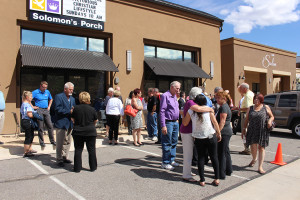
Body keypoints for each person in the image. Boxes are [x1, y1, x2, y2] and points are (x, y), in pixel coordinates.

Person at [183, 94, 221, 186]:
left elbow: (185, 123)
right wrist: (218, 132)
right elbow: (214, 122)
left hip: (199, 137)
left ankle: (202, 179)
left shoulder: (191, 111)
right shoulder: (208, 109)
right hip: (210, 135)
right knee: (214, 157)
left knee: (201, 158)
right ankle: (217, 178)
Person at [180, 87, 214, 182]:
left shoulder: (191, 102)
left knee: (190, 154)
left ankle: (187, 172)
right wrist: (210, 109)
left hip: (191, 131)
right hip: (187, 131)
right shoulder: (191, 102)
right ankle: (186, 175)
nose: (202, 96)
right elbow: (198, 109)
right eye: (200, 94)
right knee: (188, 154)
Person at [242, 94, 274, 174]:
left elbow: (272, 116)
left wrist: (270, 121)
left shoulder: (265, 107)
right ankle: (254, 158)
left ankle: (260, 167)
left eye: (258, 99)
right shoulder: (251, 108)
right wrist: (243, 129)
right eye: (255, 99)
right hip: (252, 130)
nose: (256, 100)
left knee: (261, 148)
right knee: (253, 147)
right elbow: (247, 119)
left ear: (261, 100)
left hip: (262, 130)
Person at [71, 92, 98, 172]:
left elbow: (73, 119)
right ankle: (93, 167)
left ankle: (77, 168)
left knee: (78, 149)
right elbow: (95, 120)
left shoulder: (75, 108)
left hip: (78, 131)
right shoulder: (92, 109)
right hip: (90, 131)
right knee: (91, 150)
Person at [160, 81, 181, 170]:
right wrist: (163, 125)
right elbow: (162, 111)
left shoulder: (175, 96)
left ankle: (171, 160)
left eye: (179, 88)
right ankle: (165, 162)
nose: (178, 90)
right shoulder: (165, 95)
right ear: (172, 87)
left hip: (175, 122)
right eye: (177, 88)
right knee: (167, 142)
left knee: (174, 142)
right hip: (168, 122)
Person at [54, 82, 76, 167]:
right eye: (70, 89)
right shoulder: (59, 97)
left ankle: (65, 156)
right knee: (60, 142)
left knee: (68, 141)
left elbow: (74, 108)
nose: (71, 91)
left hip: (70, 123)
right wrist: (68, 111)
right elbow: (57, 109)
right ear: (65, 89)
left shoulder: (72, 99)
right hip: (61, 123)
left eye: (72, 89)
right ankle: (59, 159)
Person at [32, 81, 56, 148]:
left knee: (50, 125)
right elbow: (28, 98)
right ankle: (41, 142)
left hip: (46, 110)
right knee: (41, 126)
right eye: (43, 87)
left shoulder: (47, 92)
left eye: (46, 87)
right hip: (39, 109)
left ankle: (52, 140)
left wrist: (49, 106)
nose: (44, 89)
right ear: (40, 86)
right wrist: (32, 106)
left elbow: (51, 99)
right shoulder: (35, 92)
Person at [215, 91, 233, 179]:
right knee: (226, 151)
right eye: (216, 97)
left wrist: (218, 132)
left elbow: (222, 121)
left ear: (224, 99)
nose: (216, 99)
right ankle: (229, 170)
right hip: (227, 131)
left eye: (218, 98)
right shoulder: (224, 107)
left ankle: (221, 173)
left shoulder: (223, 108)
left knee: (221, 153)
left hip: (224, 132)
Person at [239, 83, 254, 155]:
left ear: (244, 88)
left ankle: (247, 148)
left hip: (245, 114)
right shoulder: (251, 93)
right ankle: (248, 148)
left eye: (241, 89)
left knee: (244, 131)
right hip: (248, 114)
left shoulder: (248, 95)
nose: (240, 90)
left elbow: (248, 107)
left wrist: (239, 109)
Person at [20, 91, 37, 157]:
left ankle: (29, 149)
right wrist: (36, 116)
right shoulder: (26, 104)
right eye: (30, 97)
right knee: (28, 136)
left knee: (31, 135)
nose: (32, 98)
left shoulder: (26, 103)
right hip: (27, 121)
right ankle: (26, 152)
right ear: (27, 97)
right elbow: (29, 114)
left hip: (26, 121)